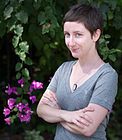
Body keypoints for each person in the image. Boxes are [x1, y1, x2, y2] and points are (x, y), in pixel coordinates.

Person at [37, 3, 118, 140]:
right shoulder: (64, 69)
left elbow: (87, 128)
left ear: (95, 35)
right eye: (67, 35)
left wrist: (55, 113)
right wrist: (67, 115)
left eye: (78, 35)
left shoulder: (107, 76)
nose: (71, 42)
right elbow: (41, 110)